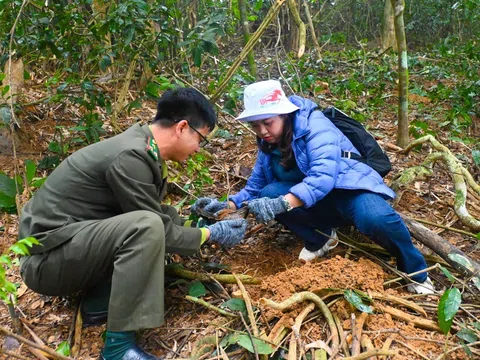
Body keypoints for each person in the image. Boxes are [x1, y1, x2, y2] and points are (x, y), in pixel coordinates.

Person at [18, 87, 248, 360]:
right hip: (46, 263)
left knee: (159, 216)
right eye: (201, 139)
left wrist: (196, 221)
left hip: (65, 249)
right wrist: (210, 233)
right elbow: (153, 226)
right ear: (182, 127)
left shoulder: (142, 146)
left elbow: (154, 212)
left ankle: (99, 304)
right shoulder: (130, 155)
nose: (199, 149)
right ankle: (117, 349)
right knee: (147, 227)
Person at [192, 80, 434, 295]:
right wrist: (226, 206)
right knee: (269, 192)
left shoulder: (315, 126)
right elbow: (256, 186)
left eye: (267, 122)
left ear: (285, 114)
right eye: (255, 126)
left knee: (376, 217)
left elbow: (323, 177)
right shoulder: (267, 143)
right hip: (315, 202)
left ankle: (416, 272)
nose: (262, 131)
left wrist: (282, 203)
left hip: (349, 192)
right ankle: (321, 239)